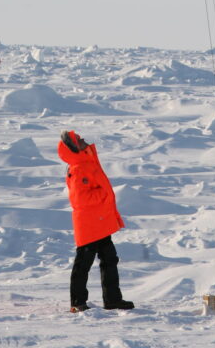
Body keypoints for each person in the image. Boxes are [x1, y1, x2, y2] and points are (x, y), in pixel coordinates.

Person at [58, 129, 134, 312]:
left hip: (97, 221)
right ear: (75, 148)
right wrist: (104, 194)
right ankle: (78, 302)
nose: (83, 139)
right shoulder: (79, 168)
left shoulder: (86, 162)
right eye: (79, 140)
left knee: (109, 260)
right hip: (89, 223)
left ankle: (113, 300)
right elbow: (80, 200)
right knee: (83, 264)